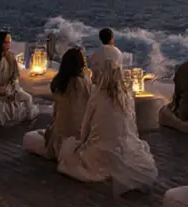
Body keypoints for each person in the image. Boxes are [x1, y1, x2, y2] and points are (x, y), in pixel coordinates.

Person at [58, 60, 158, 193]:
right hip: (124, 147)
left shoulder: (97, 97)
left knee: (68, 150)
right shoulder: (127, 97)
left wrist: (80, 145)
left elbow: (85, 129)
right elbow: (132, 127)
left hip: (99, 152)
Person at [45, 47, 94, 159]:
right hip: (77, 134)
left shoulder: (59, 82)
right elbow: (90, 104)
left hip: (59, 136)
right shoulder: (82, 82)